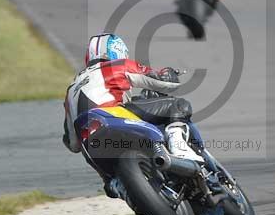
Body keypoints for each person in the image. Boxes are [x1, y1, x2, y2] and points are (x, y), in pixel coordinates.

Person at [62, 33, 205, 197]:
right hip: (113, 115)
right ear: (116, 51)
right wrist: (169, 72)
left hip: (91, 141)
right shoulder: (115, 65)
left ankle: (118, 185)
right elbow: (164, 82)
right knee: (178, 106)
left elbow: (72, 143)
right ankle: (178, 146)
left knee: (110, 181)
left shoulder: (71, 88)